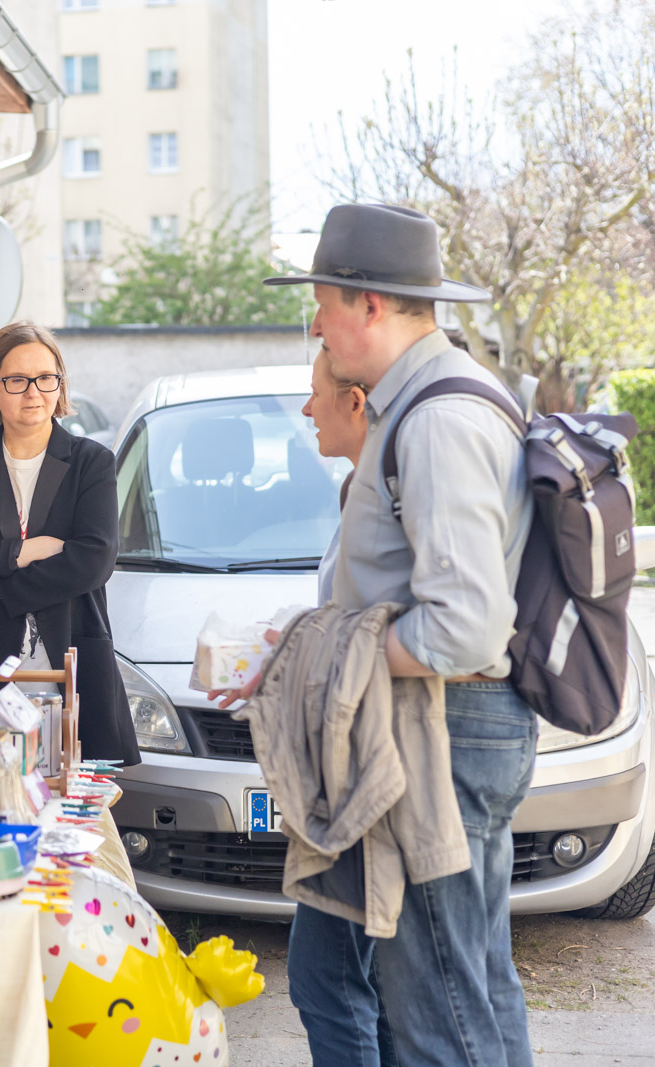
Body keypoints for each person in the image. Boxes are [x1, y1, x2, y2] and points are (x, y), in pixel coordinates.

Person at [254, 203, 536, 1066]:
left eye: (321, 305)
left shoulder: (439, 419)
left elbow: (463, 625)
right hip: (449, 728)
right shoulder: (428, 399)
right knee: (475, 990)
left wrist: (329, 654)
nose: (315, 326)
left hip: (444, 733)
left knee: (438, 1014)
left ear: (368, 304)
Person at [0, 321, 140, 766]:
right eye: (17, 380)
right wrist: (26, 550)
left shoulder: (91, 462)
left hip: (69, 657)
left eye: (46, 378)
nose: (33, 393)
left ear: (59, 383)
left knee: (70, 795)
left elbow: (93, 560)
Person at [286, 349, 402, 1066]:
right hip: (359, 759)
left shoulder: (386, 493)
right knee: (371, 980)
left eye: (314, 393)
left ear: (356, 402)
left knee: (324, 976)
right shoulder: (361, 486)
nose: (306, 409)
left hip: (371, 761)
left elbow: (388, 629)